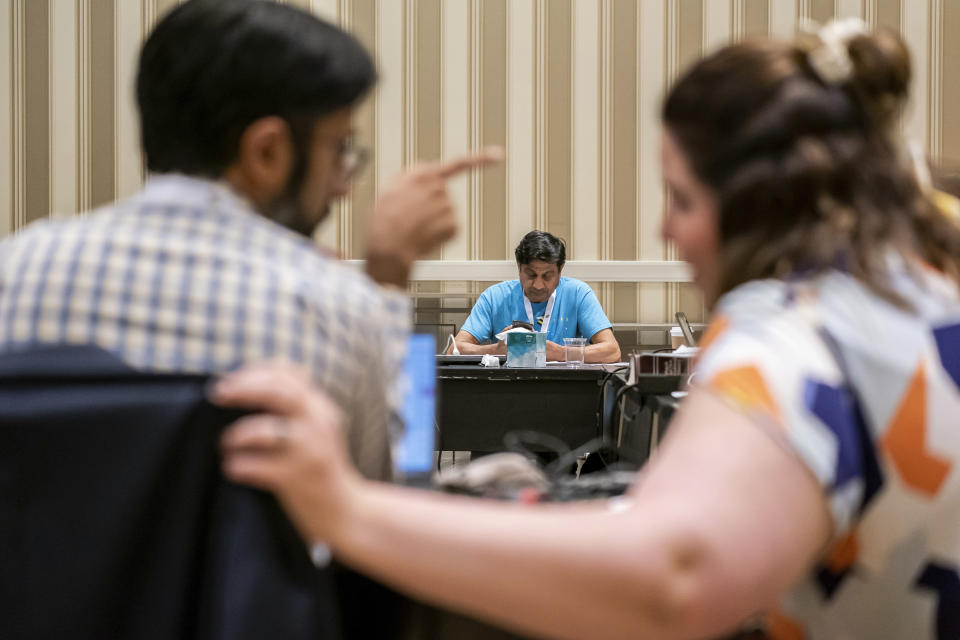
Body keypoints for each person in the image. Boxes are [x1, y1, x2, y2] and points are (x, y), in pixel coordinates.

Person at [211, 21, 960, 640]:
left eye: (682, 198)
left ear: (758, 203)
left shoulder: (787, 337)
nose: (667, 230)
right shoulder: (931, 295)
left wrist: (345, 508)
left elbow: (673, 578)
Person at [0, 0, 499, 480]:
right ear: (267, 152)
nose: (343, 183)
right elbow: (403, 481)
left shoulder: (16, 268)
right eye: (339, 149)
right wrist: (387, 285)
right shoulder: (337, 310)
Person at [451, 230, 621, 363]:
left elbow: (612, 351)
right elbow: (454, 350)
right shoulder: (495, 297)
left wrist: (559, 353)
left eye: (547, 276)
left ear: (561, 269)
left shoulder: (578, 293)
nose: (538, 285)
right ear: (519, 267)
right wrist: (496, 351)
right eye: (531, 275)